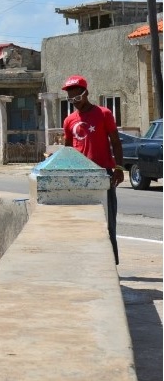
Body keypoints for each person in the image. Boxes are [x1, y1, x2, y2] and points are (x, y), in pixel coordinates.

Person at [61, 74, 124, 264]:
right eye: (70, 99)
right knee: (83, 222)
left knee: (108, 220)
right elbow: (68, 150)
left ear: (86, 93)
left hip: (103, 174)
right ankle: (87, 262)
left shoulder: (104, 114)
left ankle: (111, 263)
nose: (74, 102)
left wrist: (119, 168)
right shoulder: (69, 121)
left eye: (77, 97)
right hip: (79, 176)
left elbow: (116, 142)